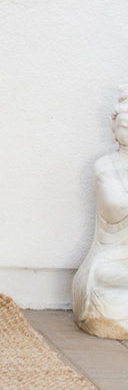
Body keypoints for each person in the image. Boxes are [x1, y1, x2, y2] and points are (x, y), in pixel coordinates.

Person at [72, 85, 128, 338]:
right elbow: (115, 208)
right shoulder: (105, 167)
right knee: (106, 277)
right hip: (112, 257)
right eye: (125, 126)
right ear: (113, 129)